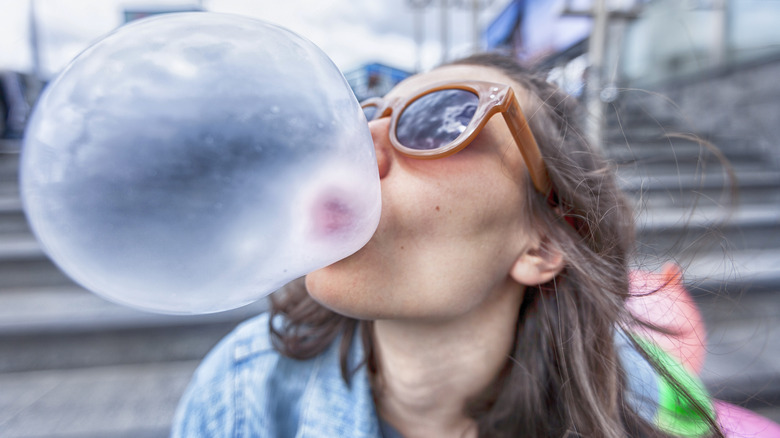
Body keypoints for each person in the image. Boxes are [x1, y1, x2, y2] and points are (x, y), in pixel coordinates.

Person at [171, 53, 725, 437]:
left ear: (544, 244)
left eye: (441, 121)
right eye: (366, 116)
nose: (359, 145)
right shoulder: (243, 389)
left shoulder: (637, 398)